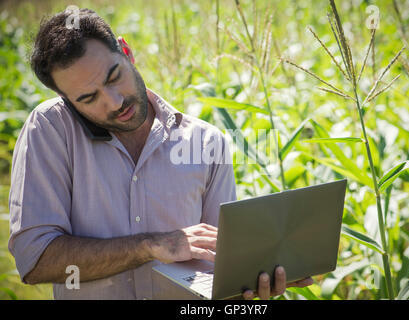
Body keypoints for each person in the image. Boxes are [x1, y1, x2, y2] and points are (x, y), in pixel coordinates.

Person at [8, 8, 312, 300]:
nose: (114, 102)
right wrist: (149, 246)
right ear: (66, 100)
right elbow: (35, 260)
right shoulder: (49, 130)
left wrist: (254, 277)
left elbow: (220, 261)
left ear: (126, 52)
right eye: (88, 98)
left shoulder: (206, 141)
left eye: (114, 77)